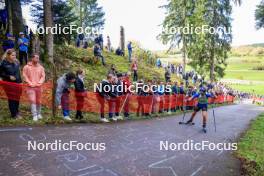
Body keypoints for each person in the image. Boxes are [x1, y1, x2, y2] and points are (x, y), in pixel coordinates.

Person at [0, 49, 22, 119]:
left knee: (17, 98)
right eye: (13, 55)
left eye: (15, 55)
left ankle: (17, 111)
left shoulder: (17, 62)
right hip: (8, 84)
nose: (14, 56)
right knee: (12, 98)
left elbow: (19, 73)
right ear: (8, 55)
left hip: (18, 83)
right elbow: (1, 74)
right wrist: (9, 76)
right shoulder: (3, 63)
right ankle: (14, 114)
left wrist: (20, 82)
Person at [22, 54, 46, 121]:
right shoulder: (26, 67)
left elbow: (43, 76)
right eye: (36, 58)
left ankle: (39, 114)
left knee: (39, 101)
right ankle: (34, 115)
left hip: (39, 87)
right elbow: (24, 76)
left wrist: (39, 83)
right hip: (30, 87)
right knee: (33, 101)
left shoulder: (41, 67)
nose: (37, 59)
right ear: (32, 58)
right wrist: (30, 83)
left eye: (38, 58)